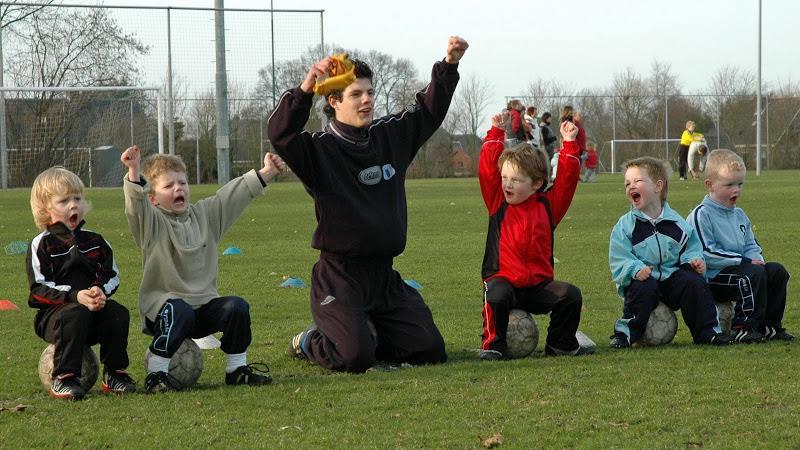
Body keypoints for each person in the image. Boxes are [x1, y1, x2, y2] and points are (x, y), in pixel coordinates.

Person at [267, 36, 469, 373]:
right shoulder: (318, 152)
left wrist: (449, 65)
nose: (366, 101)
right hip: (340, 277)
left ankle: (365, 330)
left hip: (383, 278)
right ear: (333, 101)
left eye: (370, 92)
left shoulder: (390, 136)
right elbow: (281, 133)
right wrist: (304, 89)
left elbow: (428, 112)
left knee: (429, 348)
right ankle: (309, 340)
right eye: (356, 94)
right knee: (354, 358)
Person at [121, 146, 284, 392]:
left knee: (236, 308)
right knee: (179, 311)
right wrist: (134, 171)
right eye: (168, 186)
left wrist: (267, 172)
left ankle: (236, 369)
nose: (178, 188)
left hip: (203, 308)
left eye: (182, 183)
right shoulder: (151, 223)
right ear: (153, 198)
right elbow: (136, 206)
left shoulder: (204, 216)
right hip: (166, 310)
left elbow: (230, 197)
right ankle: (156, 373)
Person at [477, 113, 593, 360]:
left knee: (570, 295)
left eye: (516, 180)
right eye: (505, 178)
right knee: (495, 295)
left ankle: (560, 344)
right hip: (503, 281)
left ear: (537, 183)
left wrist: (569, 143)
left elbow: (567, 182)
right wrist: (496, 133)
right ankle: (493, 345)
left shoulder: (548, 206)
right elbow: (487, 170)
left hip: (537, 286)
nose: (507, 184)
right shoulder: (497, 201)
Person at [27, 167, 135, 400]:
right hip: (55, 317)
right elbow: (38, 289)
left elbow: (111, 275)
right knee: (74, 313)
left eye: (77, 198)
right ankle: (64, 378)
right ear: (46, 208)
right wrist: (75, 296)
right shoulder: (41, 244)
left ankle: (115, 373)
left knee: (117, 312)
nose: (73, 205)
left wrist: (99, 290)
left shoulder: (96, 241)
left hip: (93, 312)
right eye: (64, 200)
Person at [608, 157, 733, 348]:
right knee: (643, 287)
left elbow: (692, 247)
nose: (630, 186)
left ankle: (707, 332)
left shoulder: (677, 223)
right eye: (627, 183)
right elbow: (619, 257)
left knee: (693, 283)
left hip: (671, 279)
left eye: (637, 181)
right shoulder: (625, 226)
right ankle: (625, 334)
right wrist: (634, 268)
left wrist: (694, 260)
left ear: (658, 186)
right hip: (644, 281)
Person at [687, 149, 793, 342]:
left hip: (743, 271)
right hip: (714, 277)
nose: (736, 189)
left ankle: (770, 326)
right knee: (751, 274)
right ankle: (744, 327)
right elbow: (706, 252)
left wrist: (757, 260)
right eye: (729, 184)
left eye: (740, 184)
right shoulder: (701, 215)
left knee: (776, 271)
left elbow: (751, 245)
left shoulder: (740, 215)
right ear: (709, 185)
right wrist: (743, 261)